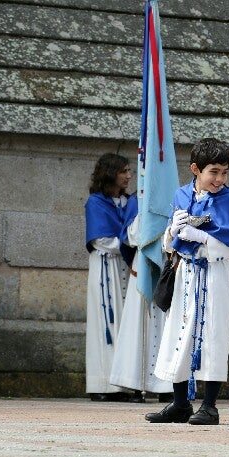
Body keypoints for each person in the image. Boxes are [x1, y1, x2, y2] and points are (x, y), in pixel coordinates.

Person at [146, 138, 229, 426]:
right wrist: (174, 231)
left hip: (213, 274)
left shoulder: (228, 199)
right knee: (179, 332)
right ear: (196, 170)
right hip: (186, 272)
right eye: (214, 172)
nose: (220, 179)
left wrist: (202, 237)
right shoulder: (181, 195)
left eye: (224, 172)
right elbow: (169, 243)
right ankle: (179, 403)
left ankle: (210, 405)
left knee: (212, 333)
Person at [109, 193, 173, 403]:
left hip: (165, 263)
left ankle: (166, 385)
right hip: (142, 265)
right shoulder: (138, 200)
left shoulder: (173, 196)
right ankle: (136, 383)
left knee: (166, 325)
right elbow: (130, 237)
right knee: (137, 325)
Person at [85, 153, 133, 402]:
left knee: (125, 324)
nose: (128, 176)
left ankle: (124, 383)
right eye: (123, 171)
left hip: (126, 266)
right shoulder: (96, 202)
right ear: (110, 173)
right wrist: (130, 244)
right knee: (106, 322)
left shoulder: (128, 202)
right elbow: (101, 239)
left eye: (129, 171)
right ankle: (103, 384)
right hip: (107, 266)